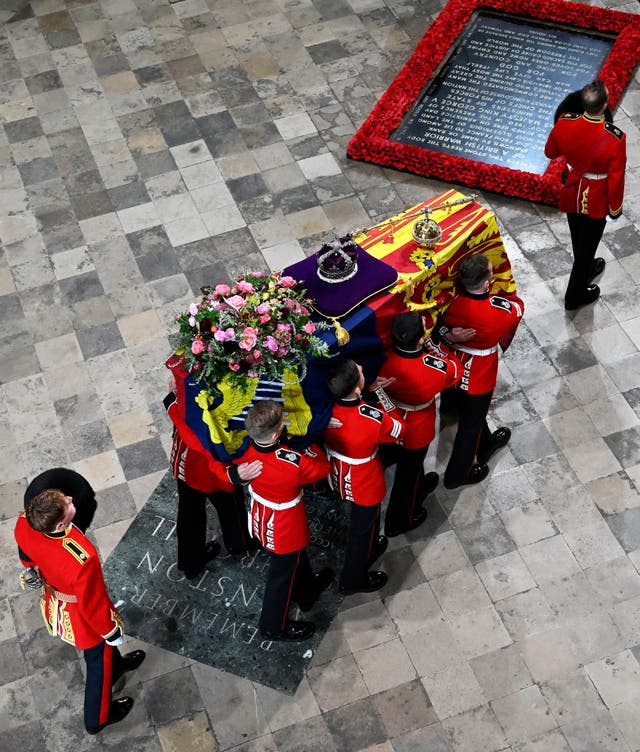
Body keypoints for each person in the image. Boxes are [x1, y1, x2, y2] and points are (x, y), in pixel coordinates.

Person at [14, 490, 145, 734]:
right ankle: (97, 718)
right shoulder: (82, 558)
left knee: (105, 658)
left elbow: (25, 550)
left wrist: (30, 568)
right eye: (66, 503)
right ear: (61, 523)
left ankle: (116, 668)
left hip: (55, 598)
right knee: (98, 661)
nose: (70, 499)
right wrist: (110, 631)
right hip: (82, 618)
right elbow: (92, 604)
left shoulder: (25, 521)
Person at [237, 400, 334, 641]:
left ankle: (308, 590)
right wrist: (309, 446)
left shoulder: (244, 449)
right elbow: (322, 470)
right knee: (281, 576)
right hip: (285, 524)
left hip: (261, 512)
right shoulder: (291, 461)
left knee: (296, 561)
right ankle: (272, 626)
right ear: (276, 432)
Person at [436, 254, 524, 489]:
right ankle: (457, 475)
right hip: (480, 372)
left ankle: (485, 445)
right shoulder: (496, 309)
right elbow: (517, 307)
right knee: (470, 425)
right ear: (486, 284)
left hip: (453, 362)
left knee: (463, 408)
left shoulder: (451, 303)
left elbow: (435, 324)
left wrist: (447, 334)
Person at [324, 359, 405, 595]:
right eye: (360, 371)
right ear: (358, 389)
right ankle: (353, 579)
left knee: (364, 527)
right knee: (362, 529)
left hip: (338, 469)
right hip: (364, 478)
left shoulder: (326, 411)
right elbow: (399, 428)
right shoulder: (371, 417)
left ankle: (369, 550)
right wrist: (380, 394)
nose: (362, 369)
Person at [378, 312, 463, 536]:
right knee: (409, 474)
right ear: (419, 339)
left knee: (401, 465)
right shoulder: (433, 366)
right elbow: (455, 370)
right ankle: (401, 520)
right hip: (418, 424)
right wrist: (435, 348)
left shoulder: (384, 360)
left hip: (390, 416)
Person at [544, 79, 626, 311]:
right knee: (587, 244)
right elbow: (617, 177)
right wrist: (615, 208)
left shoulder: (565, 122)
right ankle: (575, 295)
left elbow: (550, 151)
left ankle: (587, 267)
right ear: (604, 106)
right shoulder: (614, 138)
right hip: (596, 195)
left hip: (571, 187)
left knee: (578, 235)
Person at [164, 389, 262, 580]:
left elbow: (173, 401)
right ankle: (239, 543)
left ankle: (190, 563)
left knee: (189, 513)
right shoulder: (223, 409)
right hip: (216, 473)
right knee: (231, 509)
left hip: (187, 465)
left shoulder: (188, 402)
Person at [24, 467, 97, 533]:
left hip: (79, 489)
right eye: (69, 504)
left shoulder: (82, 497)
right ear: (60, 526)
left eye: (65, 497)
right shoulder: (34, 512)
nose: (70, 498)